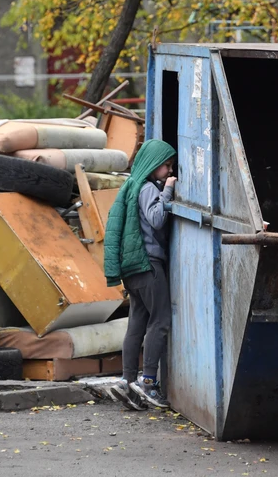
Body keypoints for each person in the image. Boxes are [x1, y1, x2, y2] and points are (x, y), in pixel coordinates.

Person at [104, 139, 176, 410]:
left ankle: (127, 382)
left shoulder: (132, 186)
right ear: (153, 165)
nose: (170, 171)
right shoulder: (147, 188)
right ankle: (148, 383)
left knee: (136, 325)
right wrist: (167, 192)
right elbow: (156, 219)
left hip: (132, 269)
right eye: (167, 165)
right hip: (148, 265)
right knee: (161, 321)